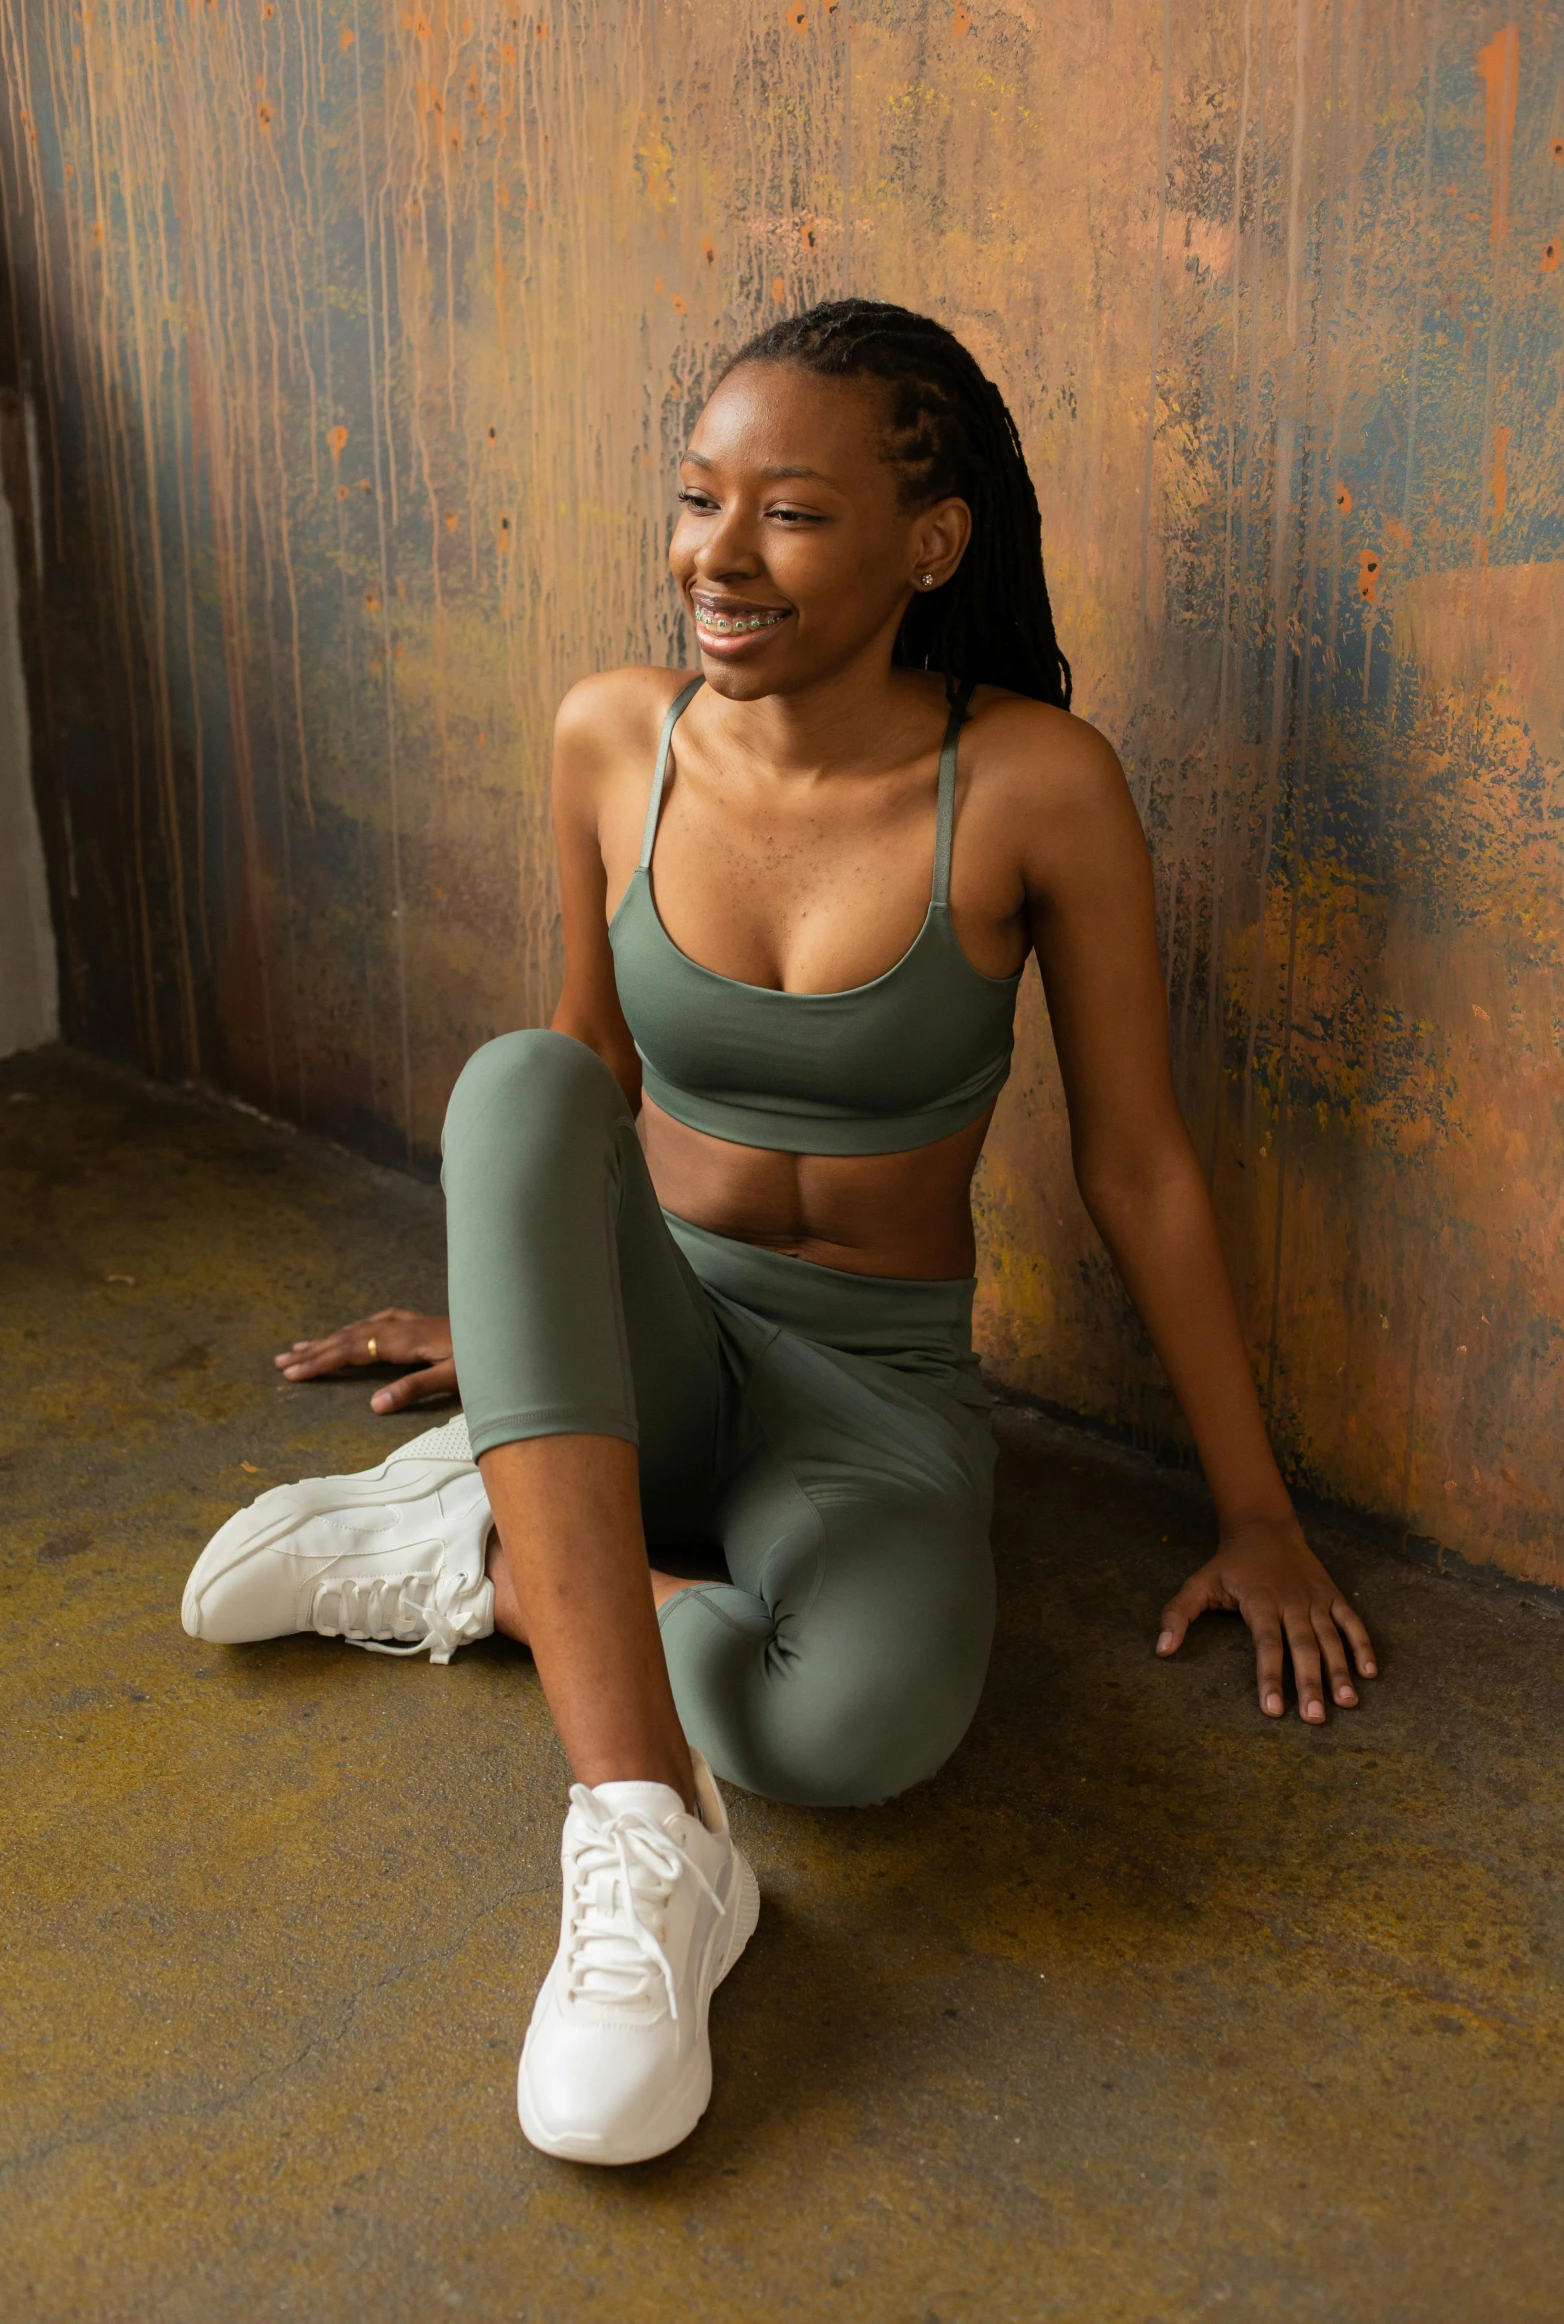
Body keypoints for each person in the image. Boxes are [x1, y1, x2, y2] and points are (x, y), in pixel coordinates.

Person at [181, 298, 1378, 2167]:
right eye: (695, 501)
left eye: (790, 514)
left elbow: (1135, 1164)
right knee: (507, 1077)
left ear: (930, 541)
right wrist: (513, 1318)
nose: (715, 560)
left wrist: (1255, 1509)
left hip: (871, 1383)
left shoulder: (1037, 783)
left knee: (858, 1737)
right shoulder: (606, 735)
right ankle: (643, 1834)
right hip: (658, 1326)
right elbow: (571, 1077)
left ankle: (491, 1560)